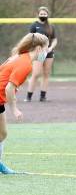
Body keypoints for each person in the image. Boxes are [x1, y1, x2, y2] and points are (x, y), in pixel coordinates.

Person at [0, 33, 49, 174]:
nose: (46, 53)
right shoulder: (25, 63)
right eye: (46, 49)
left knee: (2, 134)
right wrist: (14, 109)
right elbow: (9, 88)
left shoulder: (20, 57)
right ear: (39, 48)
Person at [25, 6, 57, 102]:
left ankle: (43, 96)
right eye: (41, 13)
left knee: (46, 74)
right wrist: (36, 48)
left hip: (48, 53)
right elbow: (30, 39)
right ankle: (29, 96)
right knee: (36, 73)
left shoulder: (51, 26)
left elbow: (55, 39)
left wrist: (50, 48)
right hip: (39, 53)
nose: (43, 15)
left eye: (45, 14)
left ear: (47, 15)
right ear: (38, 14)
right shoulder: (34, 25)